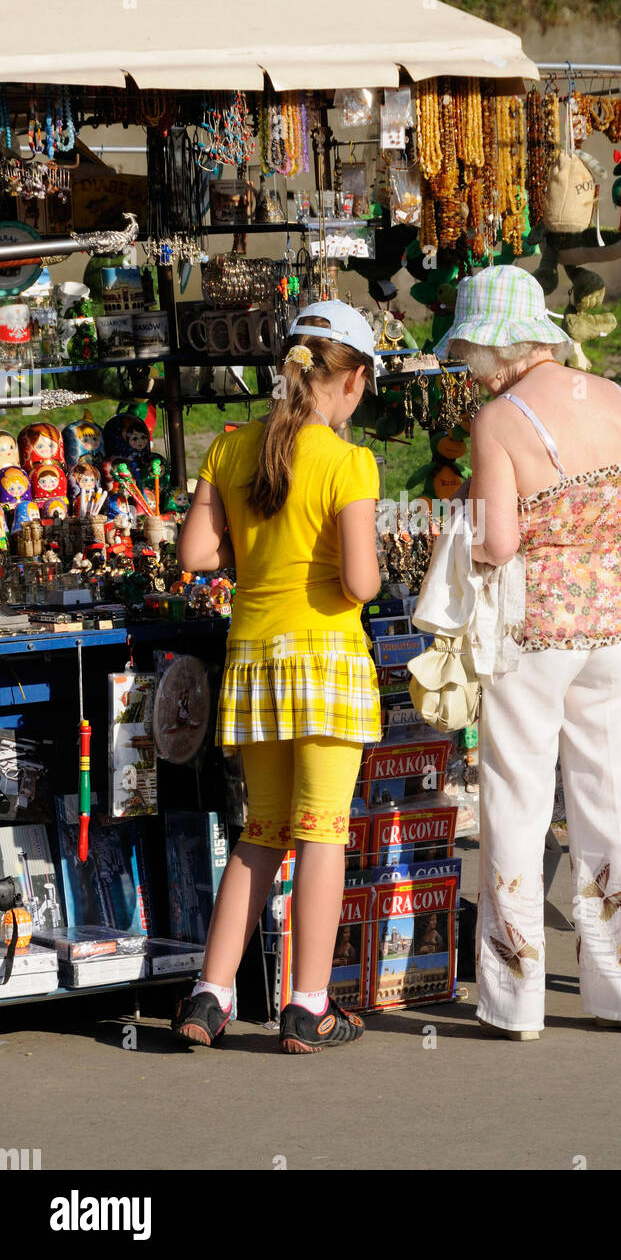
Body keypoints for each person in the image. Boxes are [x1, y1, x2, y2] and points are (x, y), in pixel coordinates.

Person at [436, 263, 621, 1038]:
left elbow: (498, 540)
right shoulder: (613, 400)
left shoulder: (500, 420)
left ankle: (514, 1000)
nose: (466, 365)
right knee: (616, 802)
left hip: (531, 630)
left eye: (468, 349)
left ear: (494, 345)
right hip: (614, 625)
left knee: (516, 801)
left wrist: (458, 547)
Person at [172, 302, 384, 1052]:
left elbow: (196, 556)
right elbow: (360, 584)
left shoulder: (230, 450)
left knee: (258, 831)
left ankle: (209, 995)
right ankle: (307, 1005)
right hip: (327, 663)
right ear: (353, 380)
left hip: (255, 659)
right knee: (322, 832)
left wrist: (256, 559)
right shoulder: (347, 461)